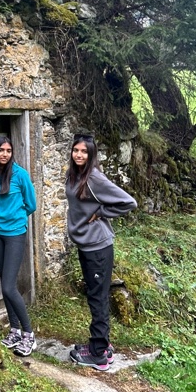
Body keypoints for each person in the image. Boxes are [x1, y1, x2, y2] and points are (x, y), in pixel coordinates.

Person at [66, 133, 137, 370]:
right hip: (88, 245)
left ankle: (98, 354)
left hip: (98, 248)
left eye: (84, 152)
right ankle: (102, 346)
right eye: (76, 150)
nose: (79, 154)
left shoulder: (94, 178)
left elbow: (128, 202)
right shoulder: (76, 174)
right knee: (97, 295)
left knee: (97, 298)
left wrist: (102, 213)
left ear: (91, 154)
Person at [0, 135, 38, 356]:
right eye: (1, 150)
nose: (5, 154)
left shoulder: (20, 175)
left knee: (8, 287)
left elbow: (31, 204)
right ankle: (14, 331)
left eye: (8, 150)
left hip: (15, 234)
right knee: (5, 284)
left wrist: (16, 217)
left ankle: (29, 335)